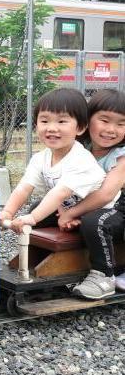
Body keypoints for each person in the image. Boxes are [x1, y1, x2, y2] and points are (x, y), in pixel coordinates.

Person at [0, 88, 119, 240]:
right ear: (36, 125)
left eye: (61, 121)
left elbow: (60, 193)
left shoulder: (81, 159)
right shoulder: (40, 158)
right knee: (37, 208)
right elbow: (23, 188)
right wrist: (8, 213)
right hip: (71, 207)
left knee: (91, 223)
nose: (52, 128)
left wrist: (33, 218)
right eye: (44, 121)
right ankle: (37, 255)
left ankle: (103, 265)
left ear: (80, 128)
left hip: (100, 210)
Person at [56, 89, 125, 299]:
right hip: (83, 202)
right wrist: (61, 209)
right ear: (87, 121)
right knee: (39, 209)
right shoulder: (80, 148)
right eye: (104, 120)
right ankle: (37, 263)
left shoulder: (121, 156)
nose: (111, 129)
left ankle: (104, 275)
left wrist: (71, 213)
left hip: (117, 208)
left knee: (95, 222)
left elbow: (105, 196)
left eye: (121, 124)